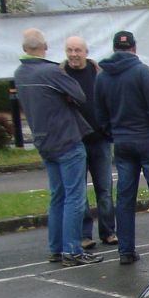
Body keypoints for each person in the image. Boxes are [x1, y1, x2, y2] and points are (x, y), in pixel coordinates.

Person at [13, 29, 103, 266]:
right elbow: (79, 95)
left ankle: (56, 247)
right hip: (66, 139)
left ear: (24, 49)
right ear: (45, 46)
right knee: (74, 196)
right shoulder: (50, 71)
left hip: (43, 140)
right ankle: (72, 250)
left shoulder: (20, 73)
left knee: (57, 196)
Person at [95, 30, 149, 264]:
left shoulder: (102, 76)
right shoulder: (141, 71)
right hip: (147, 139)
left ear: (114, 48)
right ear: (134, 48)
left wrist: (113, 134)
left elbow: (100, 114)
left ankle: (126, 250)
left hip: (122, 141)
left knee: (124, 197)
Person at [61, 35, 117, 249]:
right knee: (79, 192)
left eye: (77, 50)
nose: (73, 54)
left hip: (100, 140)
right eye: (70, 50)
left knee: (105, 189)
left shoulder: (98, 73)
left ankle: (108, 232)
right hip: (74, 142)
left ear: (86, 51)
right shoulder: (60, 75)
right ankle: (85, 234)